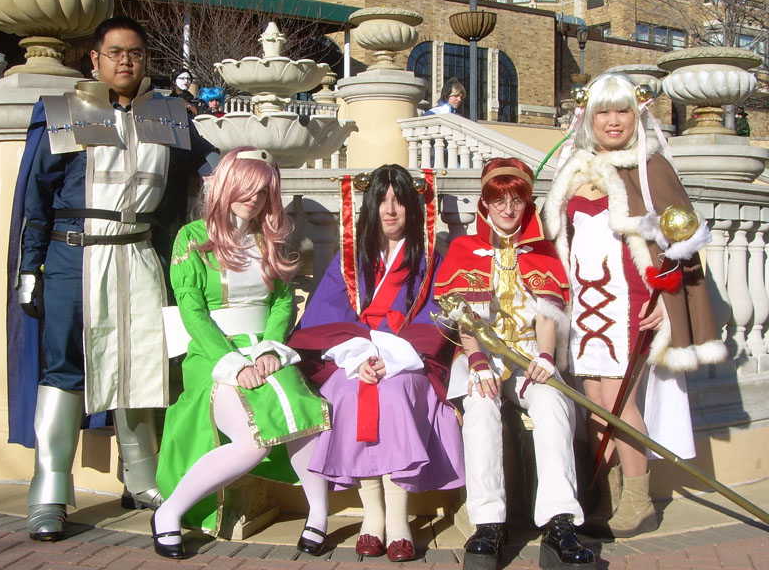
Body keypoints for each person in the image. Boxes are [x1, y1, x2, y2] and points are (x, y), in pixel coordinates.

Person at [12, 16, 219, 542]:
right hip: (72, 256)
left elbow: (209, 163)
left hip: (139, 254)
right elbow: (37, 196)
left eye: (136, 53)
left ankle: (142, 479)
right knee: (64, 366)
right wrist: (29, 268)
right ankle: (49, 491)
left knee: (141, 362)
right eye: (116, 52)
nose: (126, 61)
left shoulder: (168, 114)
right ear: (96, 58)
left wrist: (246, 172)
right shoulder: (64, 111)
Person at [541, 73, 727, 538]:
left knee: (619, 401)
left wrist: (669, 302)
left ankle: (639, 501)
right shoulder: (574, 167)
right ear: (589, 117)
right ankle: (608, 494)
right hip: (584, 305)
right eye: (603, 111)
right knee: (594, 403)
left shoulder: (651, 168)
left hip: (631, 304)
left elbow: (681, 247)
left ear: (636, 114)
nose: (613, 120)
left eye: (622, 110)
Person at [152, 147, 331, 559]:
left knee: (309, 418)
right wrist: (233, 365)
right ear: (227, 186)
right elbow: (193, 312)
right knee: (253, 442)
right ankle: (169, 513)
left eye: (263, 191)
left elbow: (282, 301)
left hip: (264, 352)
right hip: (213, 356)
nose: (254, 198)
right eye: (247, 188)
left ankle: (318, 516)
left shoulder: (268, 239)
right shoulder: (192, 237)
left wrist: (269, 350)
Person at [288, 164, 464, 563]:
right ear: (370, 206)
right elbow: (326, 315)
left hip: (408, 362)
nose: (390, 210)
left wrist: (392, 358)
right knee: (350, 393)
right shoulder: (350, 261)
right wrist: (360, 356)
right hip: (354, 359)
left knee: (396, 396)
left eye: (399, 201)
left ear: (412, 208)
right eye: (382, 201)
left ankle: (398, 521)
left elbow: (437, 319)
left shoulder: (430, 261)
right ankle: (374, 516)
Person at [435, 158, 595, 570]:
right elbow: (465, 318)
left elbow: (548, 314)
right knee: (480, 407)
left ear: (528, 203)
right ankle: (488, 523)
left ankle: (559, 523)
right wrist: (476, 360)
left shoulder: (542, 250)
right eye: (499, 200)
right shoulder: (464, 249)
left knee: (554, 404)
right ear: (485, 203)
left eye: (517, 201)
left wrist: (545, 357)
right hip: (481, 355)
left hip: (529, 354)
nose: (508, 209)